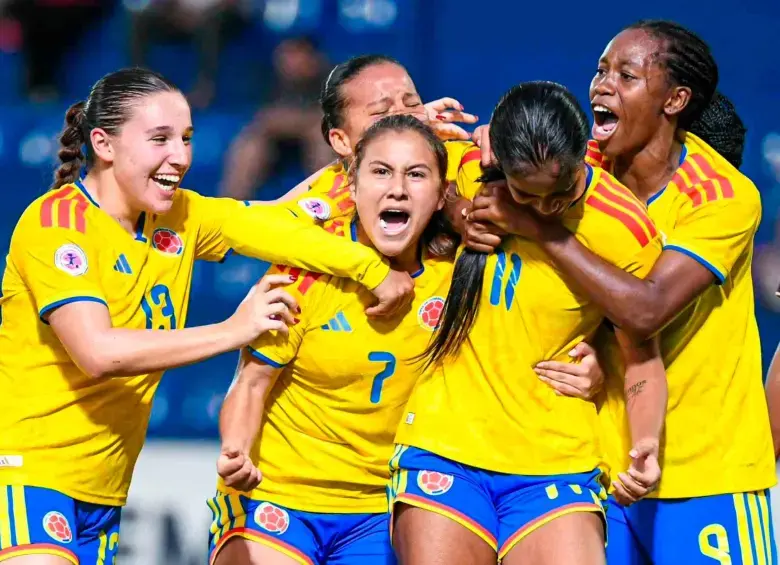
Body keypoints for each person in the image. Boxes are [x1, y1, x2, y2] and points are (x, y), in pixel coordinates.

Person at [0, 67, 413, 565]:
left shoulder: (179, 217)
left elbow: (284, 221)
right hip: (24, 471)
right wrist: (234, 329)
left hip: (101, 490)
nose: (180, 156)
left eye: (187, 138)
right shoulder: (57, 225)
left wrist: (393, 144)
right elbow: (98, 352)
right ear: (103, 144)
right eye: (160, 139)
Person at [466, 20, 776, 565]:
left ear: (675, 100)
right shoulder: (571, 168)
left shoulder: (723, 197)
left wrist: (541, 230)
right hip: (599, 473)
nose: (602, 85)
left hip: (708, 475)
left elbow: (646, 309)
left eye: (626, 75)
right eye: (601, 70)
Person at [390, 81, 667, 565]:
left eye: (560, 194)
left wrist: (645, 441)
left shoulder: (626, 230)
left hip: (555, 458)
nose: (545, 207)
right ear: (496, 158)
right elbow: (372, 173)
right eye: (527, 196)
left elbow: (641, 356)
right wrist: (455, 210)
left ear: (584, 155)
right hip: (444, 442)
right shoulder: (462, 169)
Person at [208, 114, 456, 565]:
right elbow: (251, 383)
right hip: (276, 494)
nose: (397, 189)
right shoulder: (304, 270)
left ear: (442, 196)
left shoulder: (456, 281)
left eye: (416, 175)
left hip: (377, 509)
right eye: (381, 172)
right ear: (352, 186)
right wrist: (236, 450)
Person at [259, 54, 482, 232]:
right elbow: (255, 221)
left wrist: (496, 137)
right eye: (381, 112)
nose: (404, 118)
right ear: (341, 140)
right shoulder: (328, 203)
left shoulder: (465, 159)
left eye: (412, 104)